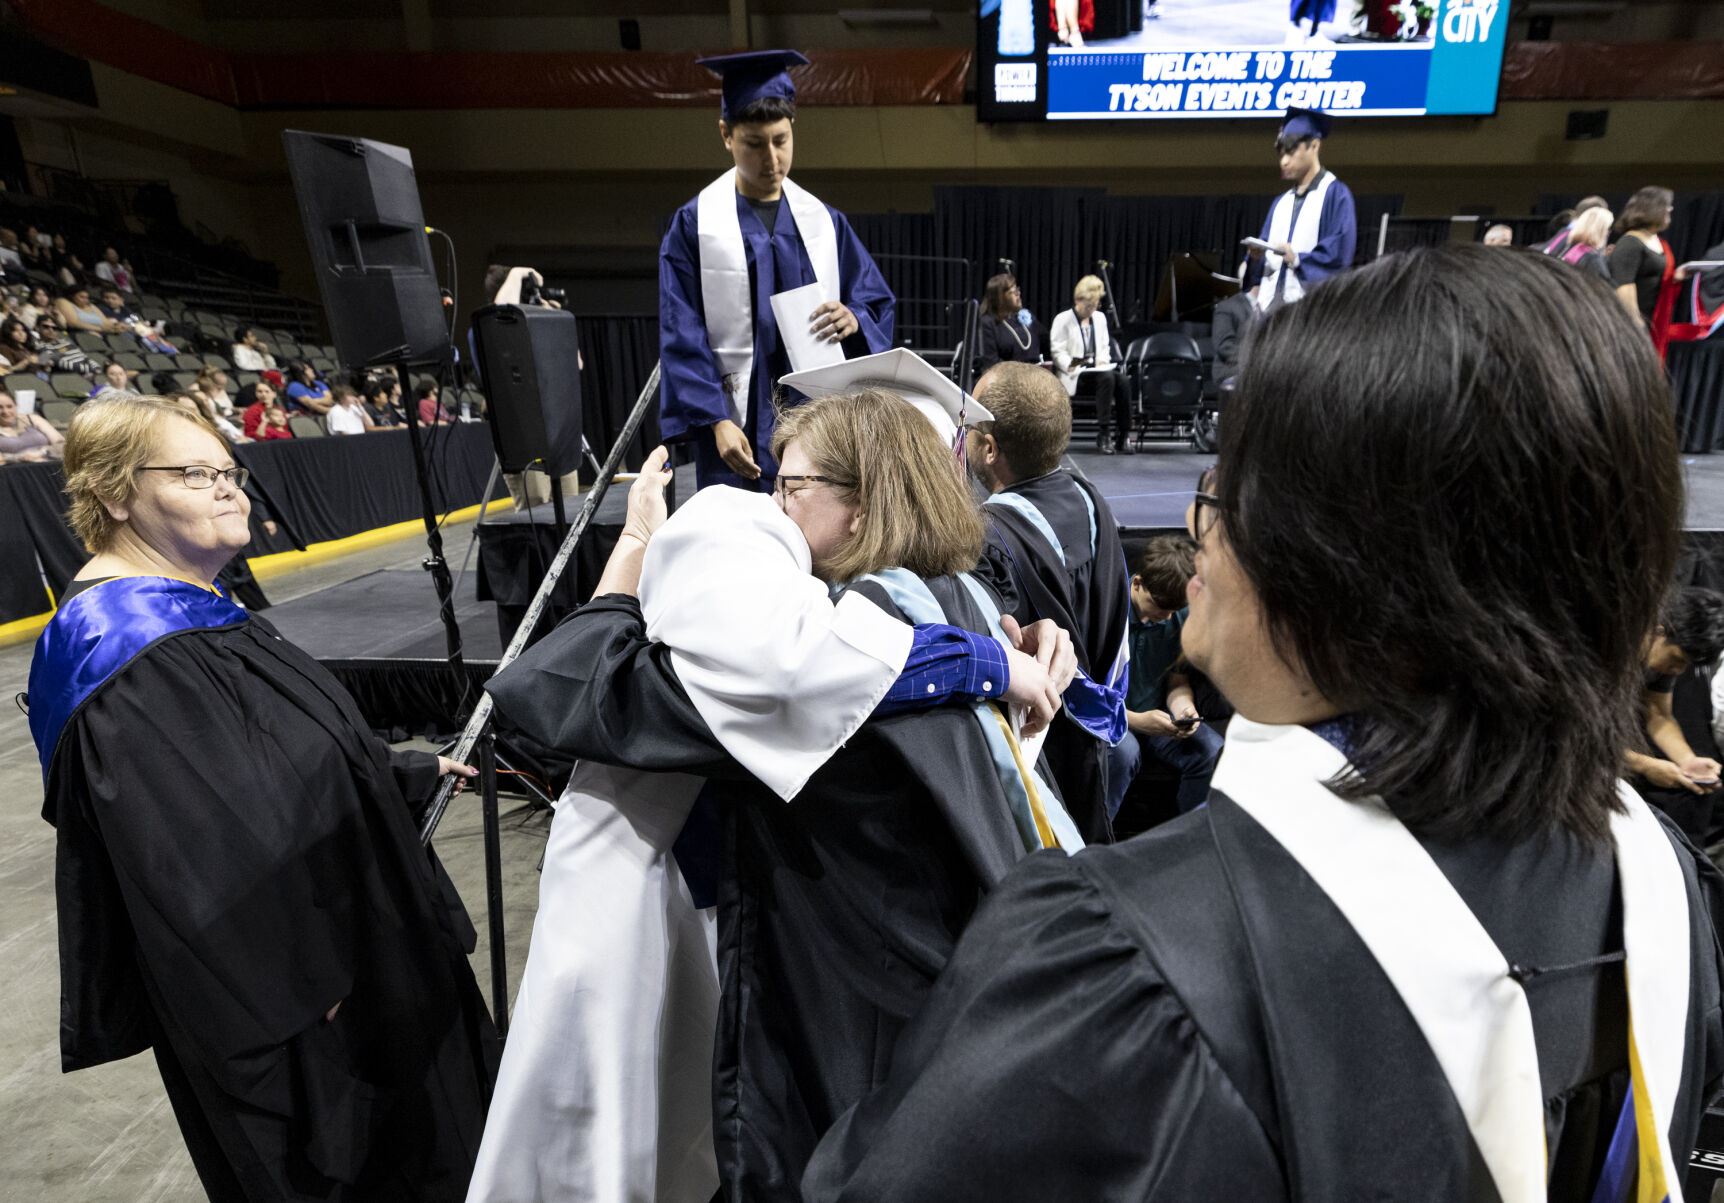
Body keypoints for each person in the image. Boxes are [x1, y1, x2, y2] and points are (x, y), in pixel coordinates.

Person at [801, 243, 1724, 1202]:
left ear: (1357, 559)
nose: (1203, 526)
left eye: (1232, 485)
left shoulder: (1121, 960)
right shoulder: (1654, 882)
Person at [482, 383, 1083, 1203]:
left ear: (862, 508)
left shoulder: (833, 645)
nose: (771, 503)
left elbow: (586, 691)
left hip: (841, 1011)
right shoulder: (969, 605)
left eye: (791, 486)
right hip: (967, 986)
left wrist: (631, 556)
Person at [26, 395, 499, 1201]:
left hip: (354, 965)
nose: (229, 489)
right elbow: (199, 858)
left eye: (229, 471)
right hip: (312, 1014)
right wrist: (315, 997)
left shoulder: (193, 610)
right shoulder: (124, 651)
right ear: (113, 493)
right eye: (195, 473)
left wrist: (395, 776)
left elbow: (276, 763)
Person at [658, 49, 896, 493]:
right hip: (736, 424)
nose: (771, 160)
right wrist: (715, 420)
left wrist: (854, 317)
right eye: (754, 143)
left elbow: (874, 299)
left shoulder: (824, 221)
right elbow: (681, 330)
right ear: (726, 134)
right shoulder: (695, 225)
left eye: (781, 140)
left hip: (814, 417)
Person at [965, 358, 1132, 841]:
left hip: (1042, 750)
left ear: (990, 449)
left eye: (971, 427)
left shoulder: (990, 538)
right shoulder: (1090, 499)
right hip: (1095, 737)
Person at [1107, 533, 1224, 819]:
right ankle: (1091, 839)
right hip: (1110, 717)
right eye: (1160, 607)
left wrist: (1183, 708)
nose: (1168, 617)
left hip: (1159, 717)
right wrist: (1134, 720)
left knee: (1210, 750)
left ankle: (1194, 839)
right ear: (1137, 583)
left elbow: (1176, 679)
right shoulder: (1106, 611)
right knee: (1124, 753)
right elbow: (1084, 696)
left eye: (1175, 609)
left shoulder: (1178, 615)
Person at [1626, 586, 1724, 840]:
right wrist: (1644, 766)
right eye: (1677, 659)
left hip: (1606, 744)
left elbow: (1659, 715)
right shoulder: (1603, 653)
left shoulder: (1659, 660)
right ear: (1658, 630)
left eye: (1686, 665)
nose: (1679, 671)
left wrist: (1687, 760)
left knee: (1692, 793)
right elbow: (1566, 738)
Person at [1244, 108, 1357, 313]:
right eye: (1281, 154)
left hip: (1308, 313)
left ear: (1314, 145)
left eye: (1291, 152)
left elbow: (1339, 255)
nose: (1284, 161)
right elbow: (1257, 271)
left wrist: (1297, 258)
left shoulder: (1335, 194)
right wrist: (1256, 257)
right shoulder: (1281, 203)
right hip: (1269, 312)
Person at [1049, 275, 1132, 454]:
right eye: (1088, 305)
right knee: (1107, 378)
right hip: (1075, 375)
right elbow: (1058, 353)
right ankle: (1104, 432)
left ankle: (1124, 435)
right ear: (1077, 300)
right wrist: (1080, 363)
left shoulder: (1100, 318)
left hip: (1099, 372)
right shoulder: (1062, 320)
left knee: (1123, 381)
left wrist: (1102, 360)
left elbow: (1104, 346)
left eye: (1095, 305)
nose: (1092, 309)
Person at [1610, 185, 1683, 351]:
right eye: (1666, 205)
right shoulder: (1629, 244)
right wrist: (1638, 330)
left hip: (1653, 324)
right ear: (1653, 209)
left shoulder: (1656, 241)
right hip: (1635, 330)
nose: (1670, 209)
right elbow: (1623, 288)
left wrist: (1676, 276)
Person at [974, 273, 1046, 373]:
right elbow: (991, 363)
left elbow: (1046, 343)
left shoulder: (1026, 317)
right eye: (1013, 291)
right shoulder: (988, 323)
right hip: (1006, 381)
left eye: (1017, 289)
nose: (1018, 293)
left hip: (1034, 379)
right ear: (1000, 297)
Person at [1210, 280, 1259, 386]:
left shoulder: (1271, 306)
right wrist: (1256, 360)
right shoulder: (1227, 307)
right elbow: (1224, 346)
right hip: (1232, 371)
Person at [0, 387, 64, 463]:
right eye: (0, 407)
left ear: (16, 406)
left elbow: (62, 444)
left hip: (50, 462)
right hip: (16, 469)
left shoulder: (32, 419)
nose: (6, 412)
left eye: (9, 406)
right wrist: (20, 458)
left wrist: (43, 452)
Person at [1552, 205, 1614, 283]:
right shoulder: (1592, 258)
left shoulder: (1572, 249)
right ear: (1600, 230)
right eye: (1607, 229)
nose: (1607, 233)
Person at [56, 284, 120, 334]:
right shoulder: (63, 302)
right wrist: (100, 329)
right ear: (72, 296)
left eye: (87, 297)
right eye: (81, 297)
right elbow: (73, 323)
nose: (85, 300)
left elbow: (105, 322)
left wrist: (115, 328)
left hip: (102, 332)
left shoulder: (92, 306)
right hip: (81, 333)